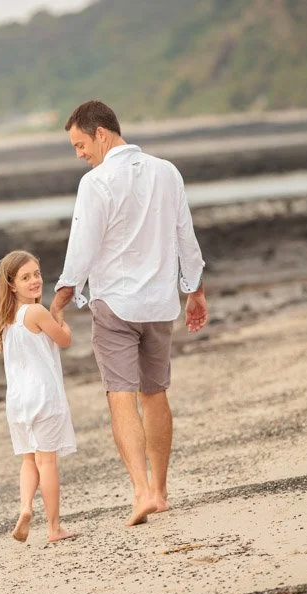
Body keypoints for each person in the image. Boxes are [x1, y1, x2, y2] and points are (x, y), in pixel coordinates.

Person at [50, 100, 208, 527]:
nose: (79, 154)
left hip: (115, 304)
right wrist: (194, 291)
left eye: (80, 144)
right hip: (160, 305)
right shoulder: (166, 171)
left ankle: (140, 490)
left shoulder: (96, 183)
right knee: (154, 393)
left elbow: (81, 247)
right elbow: (184, 235)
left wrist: (61, 297)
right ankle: (160, 490)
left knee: (120, 394)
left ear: (101, 133)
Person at [0, 250, 77, 543]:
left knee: (28, 459)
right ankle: (53, 527)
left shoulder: (6, 318)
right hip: (43, 396)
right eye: (26, 277)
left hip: (17, 401)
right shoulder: (36, 312)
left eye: (36, 274)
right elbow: (63, 339)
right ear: (12, 285)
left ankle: (25, 508)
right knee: (47, 462)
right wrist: (62, 321)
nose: (35, 280)